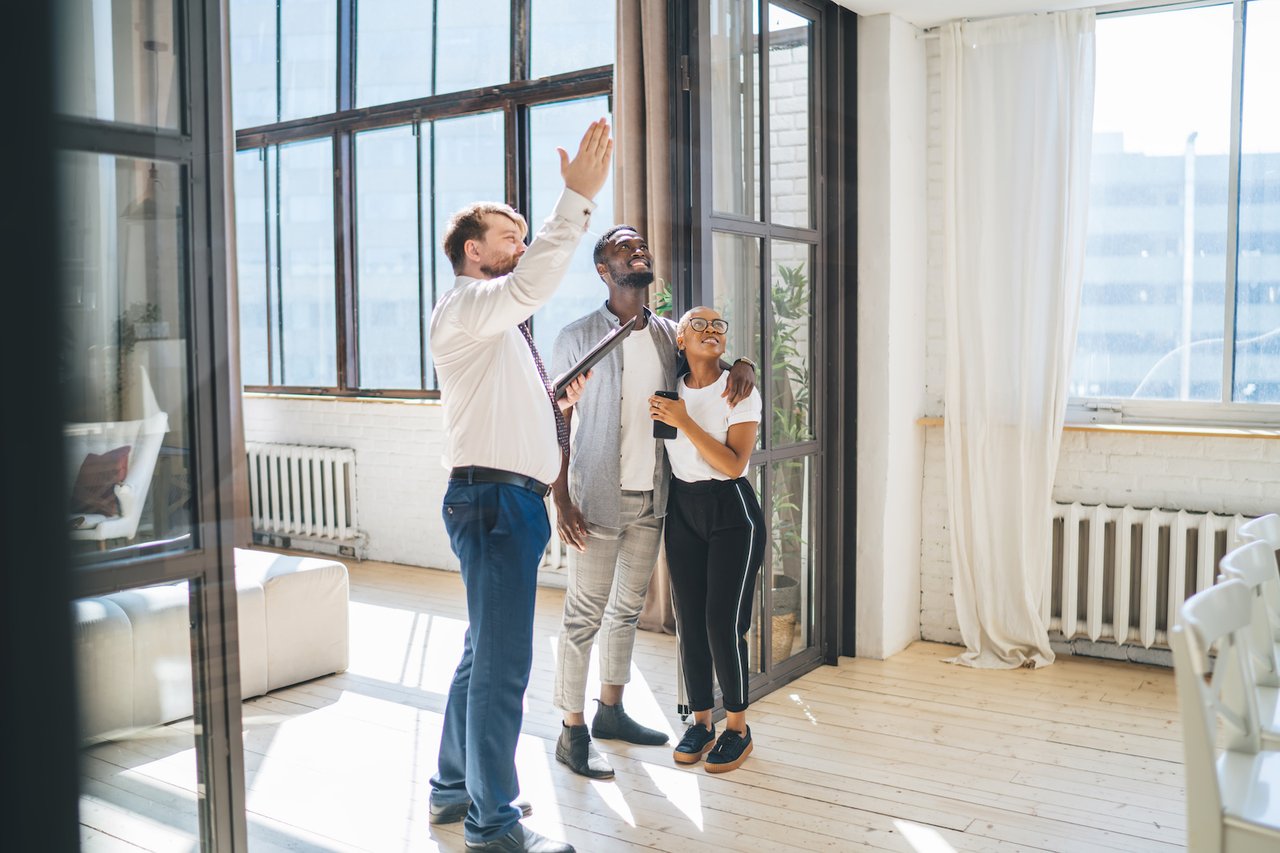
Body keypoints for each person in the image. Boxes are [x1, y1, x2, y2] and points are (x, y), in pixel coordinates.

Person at [426, 119, 612, 853]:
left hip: (502, 502)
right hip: (497, 505)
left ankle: (452, 788)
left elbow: (505, 401)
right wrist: (576, 201)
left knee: (483, 652)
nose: (523, 245)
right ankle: (493, 825)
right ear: (476, 252)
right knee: (502, 666)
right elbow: (534, 282)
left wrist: (554, 404)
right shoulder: (470, 304)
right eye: (512, 235)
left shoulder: (490, 327)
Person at [549, 227, 757, 779]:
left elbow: (706, 356)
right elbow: (556, 417)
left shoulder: (668, 334)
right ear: (604, 271)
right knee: (583, 616)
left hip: (654, 498)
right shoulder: (578, 335)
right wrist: (560, 492)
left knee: (626, 611)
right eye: (623, 247)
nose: (636, 249)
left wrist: (744, 365)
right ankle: (571, 730)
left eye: (640, 245)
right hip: (594, 496)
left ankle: (611, 711)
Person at [649, 306, 765, 775]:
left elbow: (734, 464)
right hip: (683, 511)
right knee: (690, 624)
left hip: (731, 511)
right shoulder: (668, 391)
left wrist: (686, 420)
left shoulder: (740, 389)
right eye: (699, 325)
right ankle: (701, 722)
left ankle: (737, 727)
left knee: (723, 624)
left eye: (720, 326)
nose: (712, 331)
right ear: (680, 340)